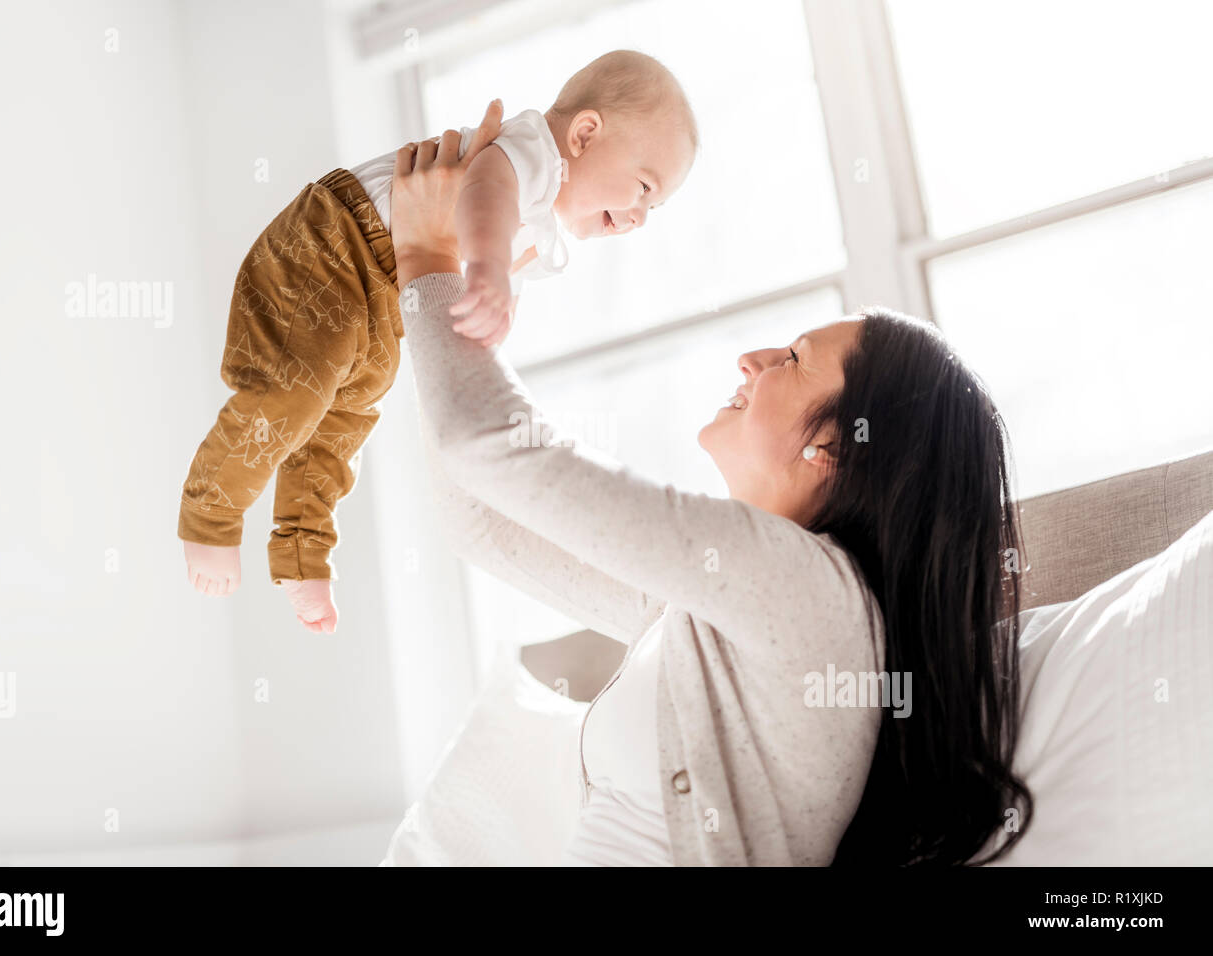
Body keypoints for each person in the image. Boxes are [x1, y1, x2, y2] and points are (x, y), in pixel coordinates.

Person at [387, 113, 1032, 865]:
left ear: (835, 447)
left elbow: (487, 449)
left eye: (792, 358)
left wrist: (426, 258)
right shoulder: (713, 615)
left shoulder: (806, 593)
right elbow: (485, 521)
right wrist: (474, 273)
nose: (751, 360)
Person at [177, 51, 697, 634]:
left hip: (386, 298)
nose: (640, 216)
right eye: (644, 187)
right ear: (585, 134)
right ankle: (210, 512)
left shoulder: (543, 225)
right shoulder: (533, 153)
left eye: (656, 206)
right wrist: (490, 268)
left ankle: (302, 550)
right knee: (293, 394)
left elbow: (484, 298)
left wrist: (492, 313)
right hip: (336, 242)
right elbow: (485, 193)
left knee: (342, 423)